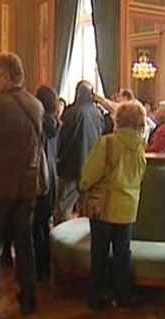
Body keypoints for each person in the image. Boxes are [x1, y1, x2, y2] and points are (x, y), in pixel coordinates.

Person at [0, 52, 43, 316]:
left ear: (4, 76)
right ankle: (28, 298)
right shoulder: (35, 104)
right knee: (25, 245)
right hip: (26, 186)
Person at [79, 101, 147, 311]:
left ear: (119, 120)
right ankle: (124, 296)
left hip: (104, 206)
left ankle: (96, 297)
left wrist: (83, 185)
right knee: (122, 253)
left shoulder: (107, 143)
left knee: (99, 253)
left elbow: (90, 174)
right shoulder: (140, 147)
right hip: (128, 207)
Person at [54, 81, 105, 224]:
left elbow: (62, 139)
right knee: (86, 208)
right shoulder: (98, 113)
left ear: (78, 93)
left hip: (70, 165)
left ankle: (61, 241)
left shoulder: (71, 112)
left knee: (64, 207)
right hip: (92, 166)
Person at [33, 85, 60, 281]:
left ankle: (38, 265)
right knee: (44, 221)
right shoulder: (57, 124)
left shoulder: (38, 125)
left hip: (39, 176)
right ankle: (46, 262)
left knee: (36, 224)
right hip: (52, 174)